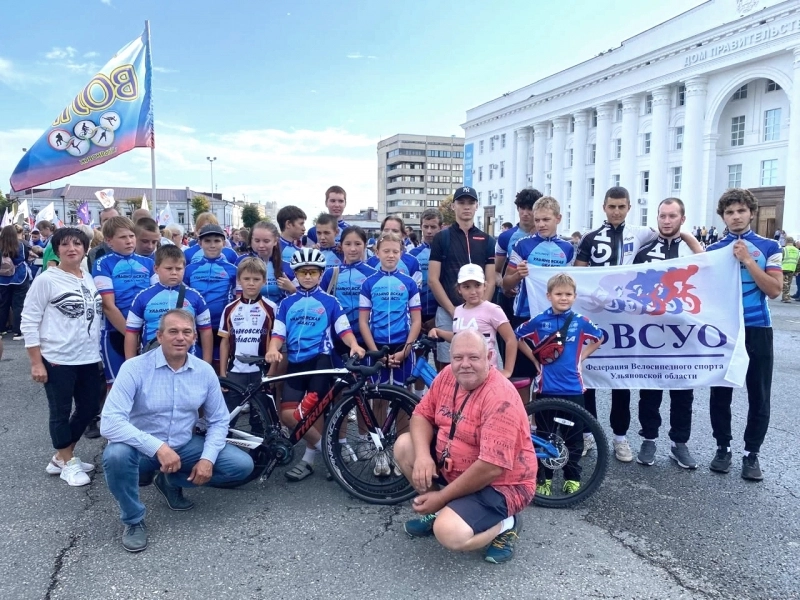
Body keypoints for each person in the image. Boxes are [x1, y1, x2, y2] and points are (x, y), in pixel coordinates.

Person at [101, 309, 254, 553]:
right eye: (173, 331)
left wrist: (206, 459)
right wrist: (158, 447)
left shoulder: (204, 372)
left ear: (194, 337)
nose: (180, 337)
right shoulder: (134, 368)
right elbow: (109, 423)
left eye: (186, 332)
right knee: (115, 456)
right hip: (140, 450)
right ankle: (133, 519)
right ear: (160, 336)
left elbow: (218, 420)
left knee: (241, 466)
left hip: (183, 446)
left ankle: (170, 480)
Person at [573, 186, 702, 462]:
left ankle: (621, 438)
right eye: (612, 206)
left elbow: (700, 262)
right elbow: (577, 276)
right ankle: (588, 434)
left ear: (629, 207)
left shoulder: (642, 234)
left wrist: (689, 235)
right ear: (604, 207)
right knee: (590, 378)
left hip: (635, 324)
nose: (616, 211)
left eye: (621, 207)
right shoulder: (590, 238)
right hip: (598, 320)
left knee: (623, 379)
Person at [395, 329, 535, 564]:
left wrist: (440, 496)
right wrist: (423, 457)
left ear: (489, 357)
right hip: (456, 467)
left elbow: (491, 467)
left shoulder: (500, 397)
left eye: (474, 357)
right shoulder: (447, 375)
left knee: (448, 533)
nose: (465, 365)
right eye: (458, 358)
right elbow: (420, 415)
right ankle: (441, 511)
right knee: (404, 445)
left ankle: (506, 523)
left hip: (502, 484)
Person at [265, 248, 365, 482]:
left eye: (313, 272)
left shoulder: (330, 301)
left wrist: (354, 345)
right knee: (288, 415)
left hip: (320, 361)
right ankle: (329, 454)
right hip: (296, 363)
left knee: (313, 412)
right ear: (295, 275)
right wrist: (272, 349)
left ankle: (309, 460)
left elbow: (344, 329)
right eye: (302, 272)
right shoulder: (287, 303)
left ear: (321, 275)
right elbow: (279, 333)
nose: (307, 276)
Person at [706, 188, 782, 481]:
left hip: (758, 328)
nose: (735, 217)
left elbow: (775, 290)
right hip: (726, 330)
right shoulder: (713, 251)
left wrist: (748, 260)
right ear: (723, 217)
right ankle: (722, 447)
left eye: (740, 211)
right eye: (729, 212)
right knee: (720, 391)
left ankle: (752, 454)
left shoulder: (768, 247)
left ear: (751, 212)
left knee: (759, 394)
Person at [20, 227, 104, 486]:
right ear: (56, 250)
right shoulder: (47, 279)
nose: (72, 249)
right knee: (60, 411)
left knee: (90, 408)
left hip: (89, 357)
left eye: (77, 244)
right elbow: (29, 319)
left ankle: (61, 455)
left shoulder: (88, 277)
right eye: (65, 245)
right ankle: (68, 462)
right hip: (57, 357)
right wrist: (36, 361)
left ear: (84, 248)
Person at [514, 273, 603, 496]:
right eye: (558, 294)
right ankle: (544, 478)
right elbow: (517, 336)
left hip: (574, 390)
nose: (563, 298)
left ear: (574, 296)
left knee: (573, 438)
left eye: (568, 294)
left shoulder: (581, 321)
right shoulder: (539, 320)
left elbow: (599, 337)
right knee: (545, 436)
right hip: (545, 390)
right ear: (549, 296)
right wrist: (534, 359)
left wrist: (581, 358)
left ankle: (572, 477)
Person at [632, 198, 699, 469]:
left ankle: (679, 444)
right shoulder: (644, 250)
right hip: (653, 335)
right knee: (650, 390)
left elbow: (709, 277)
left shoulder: (692, 250)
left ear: (682, 219)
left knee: (683, 391)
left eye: (672, 216)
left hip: (684, 336)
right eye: (662, 216)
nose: (667, 220)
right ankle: (648, 440)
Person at [502, 195, 574, 401]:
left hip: (556, 318)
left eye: (546, 220)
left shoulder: (568, 249)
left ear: (558, 219)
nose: (541, 224)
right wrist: (518, 275)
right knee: (522, 375)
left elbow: (571, 284)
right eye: (537, 220)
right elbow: (506, 283)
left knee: (549, 370)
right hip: (525, 315)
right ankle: (523, 419)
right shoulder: (523, 246)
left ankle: (541, 422)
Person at [428, 186, 496, 369]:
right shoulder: (442, 238)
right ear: (453, 206)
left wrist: (481, 309)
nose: (466, 207)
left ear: (477, 206)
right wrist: (453, 311)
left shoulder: (488, 240)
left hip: (479, 314)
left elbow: (490, 279)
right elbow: (433, 279)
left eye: (471, 203)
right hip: (449, 311)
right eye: (461, 202)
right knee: (448, 367)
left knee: (480, 363)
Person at [93, 216, 158, 386]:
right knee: (117, 386)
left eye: (131, 236)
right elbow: (108, 305)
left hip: (146, 332)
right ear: (109, 241)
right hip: (115, 331)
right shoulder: (102, 263)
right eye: (123, 237)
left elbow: (158, 296)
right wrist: (131, 334)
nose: (129, 241)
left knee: (146, 386)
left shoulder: (148, 262)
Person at [124, 245, 213, 361]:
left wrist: (206, 364)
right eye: (169, 268)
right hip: (151, 360)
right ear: (156, 269)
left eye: (179, 268)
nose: (174, 273)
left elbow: (206, 331)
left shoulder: (195, 297)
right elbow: (131, 333)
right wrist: (130, 365)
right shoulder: (142, 297)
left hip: (188, 361)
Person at [429, 264, 517, 378]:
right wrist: (439, 332)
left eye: (477, 285)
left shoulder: (492, 309)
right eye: (466, 287)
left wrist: (508, 370)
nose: (473, 291)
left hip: (487, 373)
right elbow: (459, 336)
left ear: (485, 286)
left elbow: (511, 339)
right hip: (464, 371)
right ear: (459, 289)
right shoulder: (458, 311)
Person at [359, 232, 422, 388]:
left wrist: (406, 350)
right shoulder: (368, 283)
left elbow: (416, 320)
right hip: (377, 345)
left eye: (395, 251)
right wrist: (375, 352)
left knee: (404, 394)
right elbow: (363, 322)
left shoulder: (409, 283)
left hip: (402, 345)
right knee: (378, 397)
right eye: (386, 251)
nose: (391, 255)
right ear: (377, 253)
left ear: (401, 253)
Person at [320, 226, 377, 365]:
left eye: (358, 244)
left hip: (367, 337)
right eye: (348, 244)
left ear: (364, 246)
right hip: (338, 337)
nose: (353, 249)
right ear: (341, 246)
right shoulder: (331, 274)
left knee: (367, 382)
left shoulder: (373, 274)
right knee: (342, 382)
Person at [183, 224, 238, 366]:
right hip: (196, 326)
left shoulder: (233, 270)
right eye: (207, 241)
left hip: (222, 326)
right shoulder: (189, 270)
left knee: (220, 367)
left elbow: (238, 300)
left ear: (224, 243)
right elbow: (183, 299)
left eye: (217, 241)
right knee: (198, 365)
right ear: (199, 243)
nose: (212, 245)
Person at [219, 257, 277, 386]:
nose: (251, 283)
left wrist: (272, 373)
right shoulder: (229, 309)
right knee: (234, 406)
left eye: (256, 279)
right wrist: (223, 374)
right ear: (239, 280)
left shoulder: (272, 308)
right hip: (235, 371)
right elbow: (225, 343)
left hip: (262, 371)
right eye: (246, 279)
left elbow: (277, 341)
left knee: (261, 406)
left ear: (264, 281)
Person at [236, 221, 296, 305]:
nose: (261, 245)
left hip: (279, 315)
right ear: (251, 240)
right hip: (252, 314)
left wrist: (292, 289)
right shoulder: (242, 262)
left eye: (266, 241)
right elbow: (238, 295)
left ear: (275, 241)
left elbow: (302, 298)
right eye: (257, 241)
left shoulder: (287, 266)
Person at [409, 209, 443, 332]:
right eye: (425, 226)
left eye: (433, 227)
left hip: (441, 314)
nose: (429, 231)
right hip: (417, 314)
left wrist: (437, 318)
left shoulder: (447, 253)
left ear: (440, 227)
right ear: (420, 227)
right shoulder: (411, 255)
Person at [367, 216, 422, 286]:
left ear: (403, 235)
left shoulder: (413, 262)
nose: (390, 233)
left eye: (395, 231)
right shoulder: (370, 262)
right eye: (386, 230)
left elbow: (416, 292)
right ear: (381, 232)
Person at [0, 225, 33, 340]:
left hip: (3, 278)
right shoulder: (21, 245)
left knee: (3, 304)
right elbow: (24, 258)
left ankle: (1, 330)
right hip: (19, 276)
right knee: (18, 304)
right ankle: (17, 331)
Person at [86, 206, 119, 273]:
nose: (110, 222)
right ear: (101, 224)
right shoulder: (94, 253)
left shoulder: (132, 248)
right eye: (106, 220)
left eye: (114, 219)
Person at [781, 237, 799, 302]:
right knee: (788, 283)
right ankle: (786, 296)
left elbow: (780, 258)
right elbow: (798, 262)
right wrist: (797, 270)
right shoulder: (797, 250)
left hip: (784, 268)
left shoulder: (784, 249)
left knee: (785, 283)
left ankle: (786, 298)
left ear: (786, 241)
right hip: (792, 268)